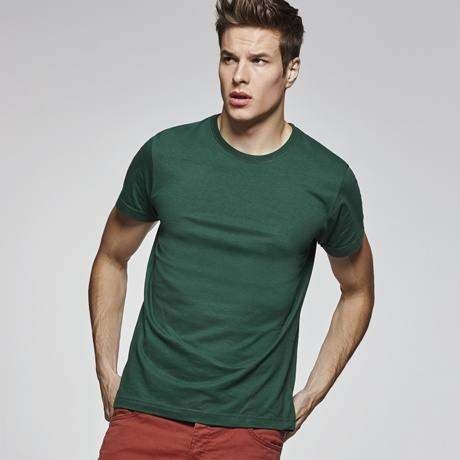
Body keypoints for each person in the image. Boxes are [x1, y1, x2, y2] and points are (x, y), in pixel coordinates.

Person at [89, 0, 375, 458]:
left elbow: (358, 290)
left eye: (258, 61)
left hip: (247, 431)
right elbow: (111, 256)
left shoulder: (326, 179)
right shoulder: (167, 155)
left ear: (291, 70)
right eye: (229, 58)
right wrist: (106, 370)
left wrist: (310, 395)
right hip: (145, 417)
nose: (239, 76)